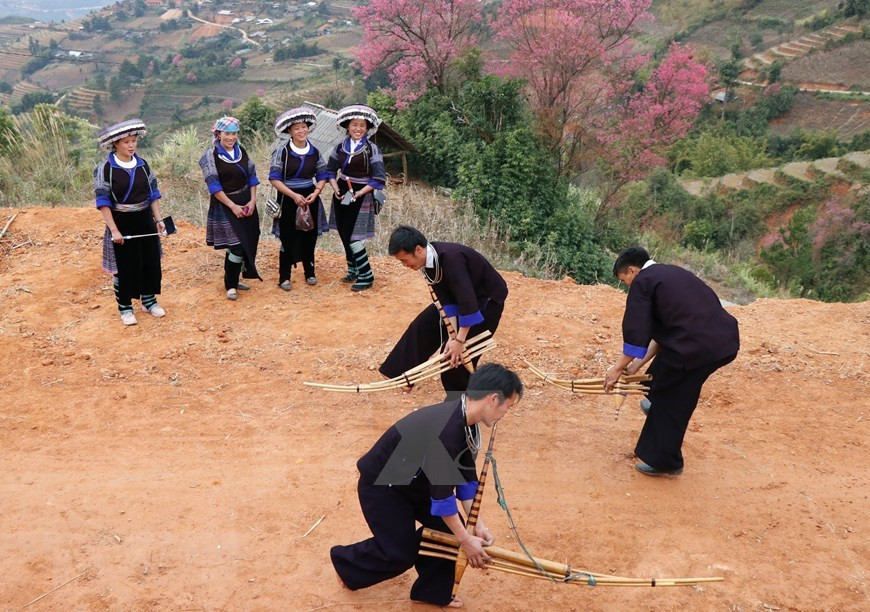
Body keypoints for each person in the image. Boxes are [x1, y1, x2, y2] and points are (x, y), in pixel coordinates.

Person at [331, 363, 523, 608]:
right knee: (400, 553)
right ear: (494, 399)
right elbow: (442, 502)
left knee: (448, 534)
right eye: (509, 405)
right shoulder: (447, 431)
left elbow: (465, 480)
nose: (507, 412)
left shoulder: (466, 418)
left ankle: (431, 591)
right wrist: (465, 541)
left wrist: (477, 526)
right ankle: (345, 563)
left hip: (414, 483)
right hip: (384, 486)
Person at [604, 246, 740, 476]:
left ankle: (666, 462)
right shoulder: (669, 273)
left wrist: (616, 369)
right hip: (721, 340)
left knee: (673, 400)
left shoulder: (643, 282)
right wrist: (637, 364)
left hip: (699, 347)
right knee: (670, 366)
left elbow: (636, 331)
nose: (626, 284)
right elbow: (666, 333)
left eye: (624, 279)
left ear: (632, 270)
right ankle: (654, 398)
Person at [380, 226, 508, 399]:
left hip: (486, 302)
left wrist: (459, 340)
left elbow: (467, 302)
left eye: (404, 260)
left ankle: (461, 407)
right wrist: (452, 335)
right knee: (423, 325)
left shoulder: (451, 259)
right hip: (460, 299)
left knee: (453, 359)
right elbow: (446, 300)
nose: (405, 265)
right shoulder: (428, 261)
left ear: (418, 250)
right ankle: (403, 375)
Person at [94, 119, 166, 326]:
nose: (131, 145)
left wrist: (158, 220)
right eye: (126, 142)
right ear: (115, 144)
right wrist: (113, 230)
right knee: (124, 266)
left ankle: (149, 301)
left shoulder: (143, 165)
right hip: (120, 221)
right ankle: (125, 308)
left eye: (134, 141)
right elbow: (103, 201)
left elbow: (153, 194)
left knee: (149, 261)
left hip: (144, 219)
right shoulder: (105, 169)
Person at [199, 116, 262, 300]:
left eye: (234, 133)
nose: (231, 137)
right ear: (218, 134)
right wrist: (233, 206)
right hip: (225, 204)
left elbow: (252, 177)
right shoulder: (210, 156)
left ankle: (234, 277)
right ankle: (231, 285)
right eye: (227, 133)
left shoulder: (242, 151)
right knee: (236, 245)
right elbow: (214, 186)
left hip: (246, 201)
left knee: (248, 240)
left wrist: (252, 201)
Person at [325, 104, 386, 292]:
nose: (358, 128)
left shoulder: (371, 149)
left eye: (362, 125)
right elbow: (329, 171)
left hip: (362, 194)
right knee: (344, 232)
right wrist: (336, 188)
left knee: (354, 236)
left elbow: (378, 178)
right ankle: (353, 269)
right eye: (354, 125)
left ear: (367, 128)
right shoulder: (340, 147)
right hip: (343, 192)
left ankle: (366, 275)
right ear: (347, 126)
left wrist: (360, 192)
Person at [269, 107, 329, 290]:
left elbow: (322, 174)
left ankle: (309, 272)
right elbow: (274, 178)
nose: (301, 131)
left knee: (309, 236)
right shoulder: (283, 152)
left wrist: (317, 191)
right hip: (288, 198)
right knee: (288, 237)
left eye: (304, 127)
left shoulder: (315, 151)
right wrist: (294, 195)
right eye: (297, 128)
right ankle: (284, 277)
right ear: (290, 131)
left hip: (310, 196)